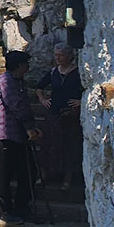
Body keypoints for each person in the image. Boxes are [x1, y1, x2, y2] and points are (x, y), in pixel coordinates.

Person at [0, 50, 41, 224]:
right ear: (19, 65)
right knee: (6, 173)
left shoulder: (18, 82)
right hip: (6, 134)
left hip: (17, 134)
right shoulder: (7, 82)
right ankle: (6, 210)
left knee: (28, 172)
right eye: (26, 63)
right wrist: (29, 128)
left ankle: (21, 206)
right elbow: (16, 106)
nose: (28, 67)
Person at [35, 43, 83, 191]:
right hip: (54, 113)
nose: (58, 58)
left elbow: (86, 89)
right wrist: (43, 99)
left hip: (70, 115)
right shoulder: (53, 72)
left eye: (60, 55)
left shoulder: (78, 72)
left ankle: (67, 179)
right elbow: (39, 87)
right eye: (56, 55)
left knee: (69, 146)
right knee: (48, 144)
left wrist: (81, 101)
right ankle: (44, 175)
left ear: (69, 56)